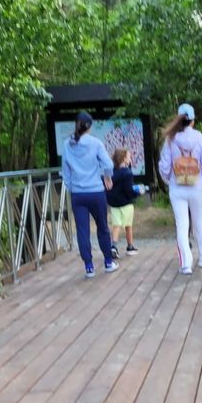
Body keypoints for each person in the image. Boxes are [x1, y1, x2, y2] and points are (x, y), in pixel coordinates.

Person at [158, 102, 202, 275]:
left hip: (177, 189)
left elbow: (164, 166)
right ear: (192, 121)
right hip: (196, 187)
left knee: (182, 225)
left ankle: (186, 264)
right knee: (199, 222)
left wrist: (170, 181)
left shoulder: (170, 139)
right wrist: (199, 178)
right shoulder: (200, 138)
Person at [61, 111, 117, 278]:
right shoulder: (95, 143)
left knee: (82, 231)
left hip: (78, 194)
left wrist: (72, 188)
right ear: (89, 126)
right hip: (96, 192)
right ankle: (108, 261)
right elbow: (108, 164)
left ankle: (89, 267)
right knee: (102, 227)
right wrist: (107, 177)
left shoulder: (67, 144)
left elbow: (66, 171)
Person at [107, 147, 147, 257]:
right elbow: (129, 190)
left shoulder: (111, 172)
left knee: (116, 225)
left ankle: (113, 246)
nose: (130, 158)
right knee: (128, 225)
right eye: (129, 156)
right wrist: (138, 193)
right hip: (126, 204)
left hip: (114, 204)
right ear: (124, 159)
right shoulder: (127, 173)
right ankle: (130, 246)